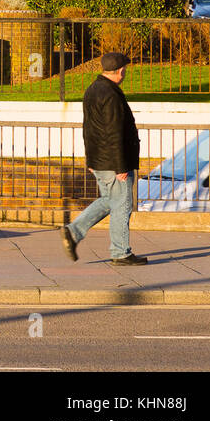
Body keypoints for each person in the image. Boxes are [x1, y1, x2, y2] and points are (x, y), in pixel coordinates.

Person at [61, 52, 147, 266]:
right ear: (120, 71)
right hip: (114, 162)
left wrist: (90, 160)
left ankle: (74, 232)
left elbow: (88, 129)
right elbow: (114, 132)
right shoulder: (111, 94)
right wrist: (120, 166)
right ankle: (120, 252)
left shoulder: (92, 89)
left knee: (110, 200)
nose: (126, 72)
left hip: (100, 160)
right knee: (122, 205)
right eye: (125, 69)